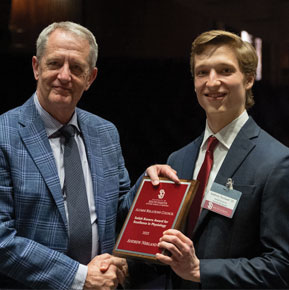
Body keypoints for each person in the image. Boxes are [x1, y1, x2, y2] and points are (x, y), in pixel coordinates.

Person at [0, 21, 178, 289]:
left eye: (76, 68)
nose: (64, 75)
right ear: (36, 67)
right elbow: (2, 238)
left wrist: (149, 189)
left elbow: (116, 213)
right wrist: (80, 277)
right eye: (55, 63)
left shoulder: (105, 133)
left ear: (90, 78)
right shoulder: (3, 134)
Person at [131, 30, 289, 289]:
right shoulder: (178, 159)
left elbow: (282, 266)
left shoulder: (277, 162)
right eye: (202, 72)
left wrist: (200, 270)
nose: (212, 82)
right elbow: (165, 251)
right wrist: (122, 265)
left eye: (225, 70)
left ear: (249, 79)